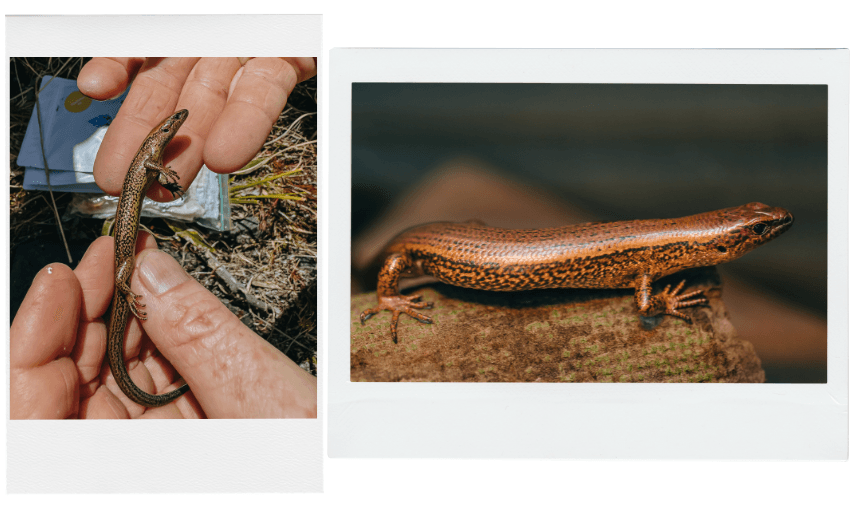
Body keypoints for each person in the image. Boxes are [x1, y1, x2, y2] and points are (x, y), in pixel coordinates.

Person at [10, 57, 318, 419]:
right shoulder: (152, 151)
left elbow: (153, 166)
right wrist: (125, 287)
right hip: (125, 249)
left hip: (128, 234)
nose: (177, 124)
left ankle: (134, 370)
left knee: (121, 273)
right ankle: (125, 293)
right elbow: (152, 166)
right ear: (162, 134)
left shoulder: (153, 150)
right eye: (173, 123)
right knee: (123, 274)